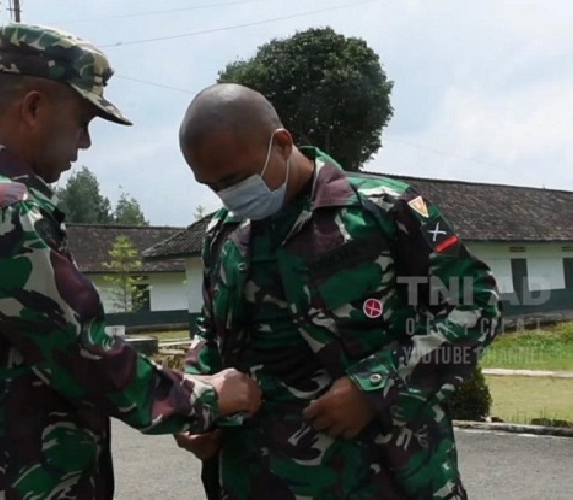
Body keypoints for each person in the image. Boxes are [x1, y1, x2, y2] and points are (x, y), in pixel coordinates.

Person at [0, 25, 261, 499]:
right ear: (33, 108)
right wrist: (210, 396)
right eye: (83, 122)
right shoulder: (4, 209)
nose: (85, 144)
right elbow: (84, 355)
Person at [173, 82, 502, 499]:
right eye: (212, 186)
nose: (228, 197)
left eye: (237, 179)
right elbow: (210, 328)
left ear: (282, 143)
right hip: (255, 479)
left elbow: (475, 306)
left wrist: (376, 387)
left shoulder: (384, 210)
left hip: (384, 478)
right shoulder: (222, 235)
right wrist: (197, 403)